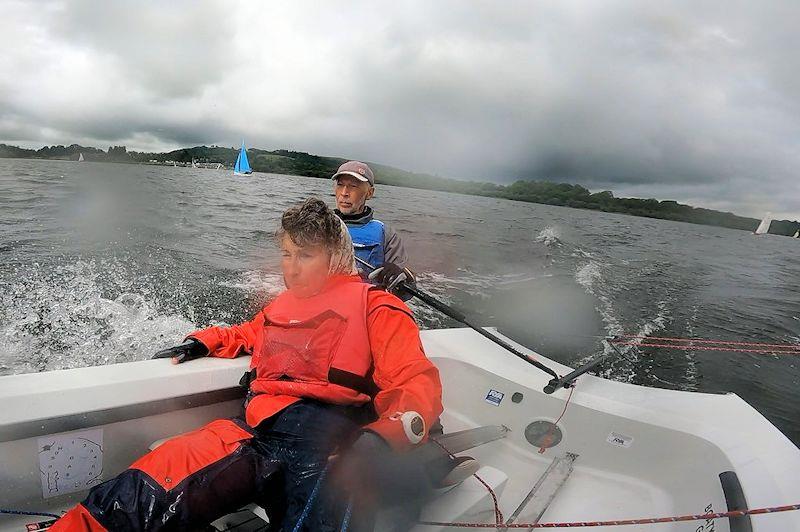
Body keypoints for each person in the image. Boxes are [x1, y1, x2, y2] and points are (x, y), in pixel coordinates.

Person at [50, 198, 443, 532]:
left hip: (330, 449)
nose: (291, 267)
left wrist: (380, 439)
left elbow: (415, 382)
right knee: (131, 497)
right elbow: (246, 333)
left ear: (336, 257)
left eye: (305, 255)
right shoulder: (282, 307)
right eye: (287, 254)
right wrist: (202, 341)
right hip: (254, 434)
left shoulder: (378, 307)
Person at [332, 160, 415, 294]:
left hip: (366, 305)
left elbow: (406, 292)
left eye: (353, 186)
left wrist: (400, 278)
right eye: (340, 185)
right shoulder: (317, 226)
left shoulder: (386, 234)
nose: (344, 193)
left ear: (369, 193)